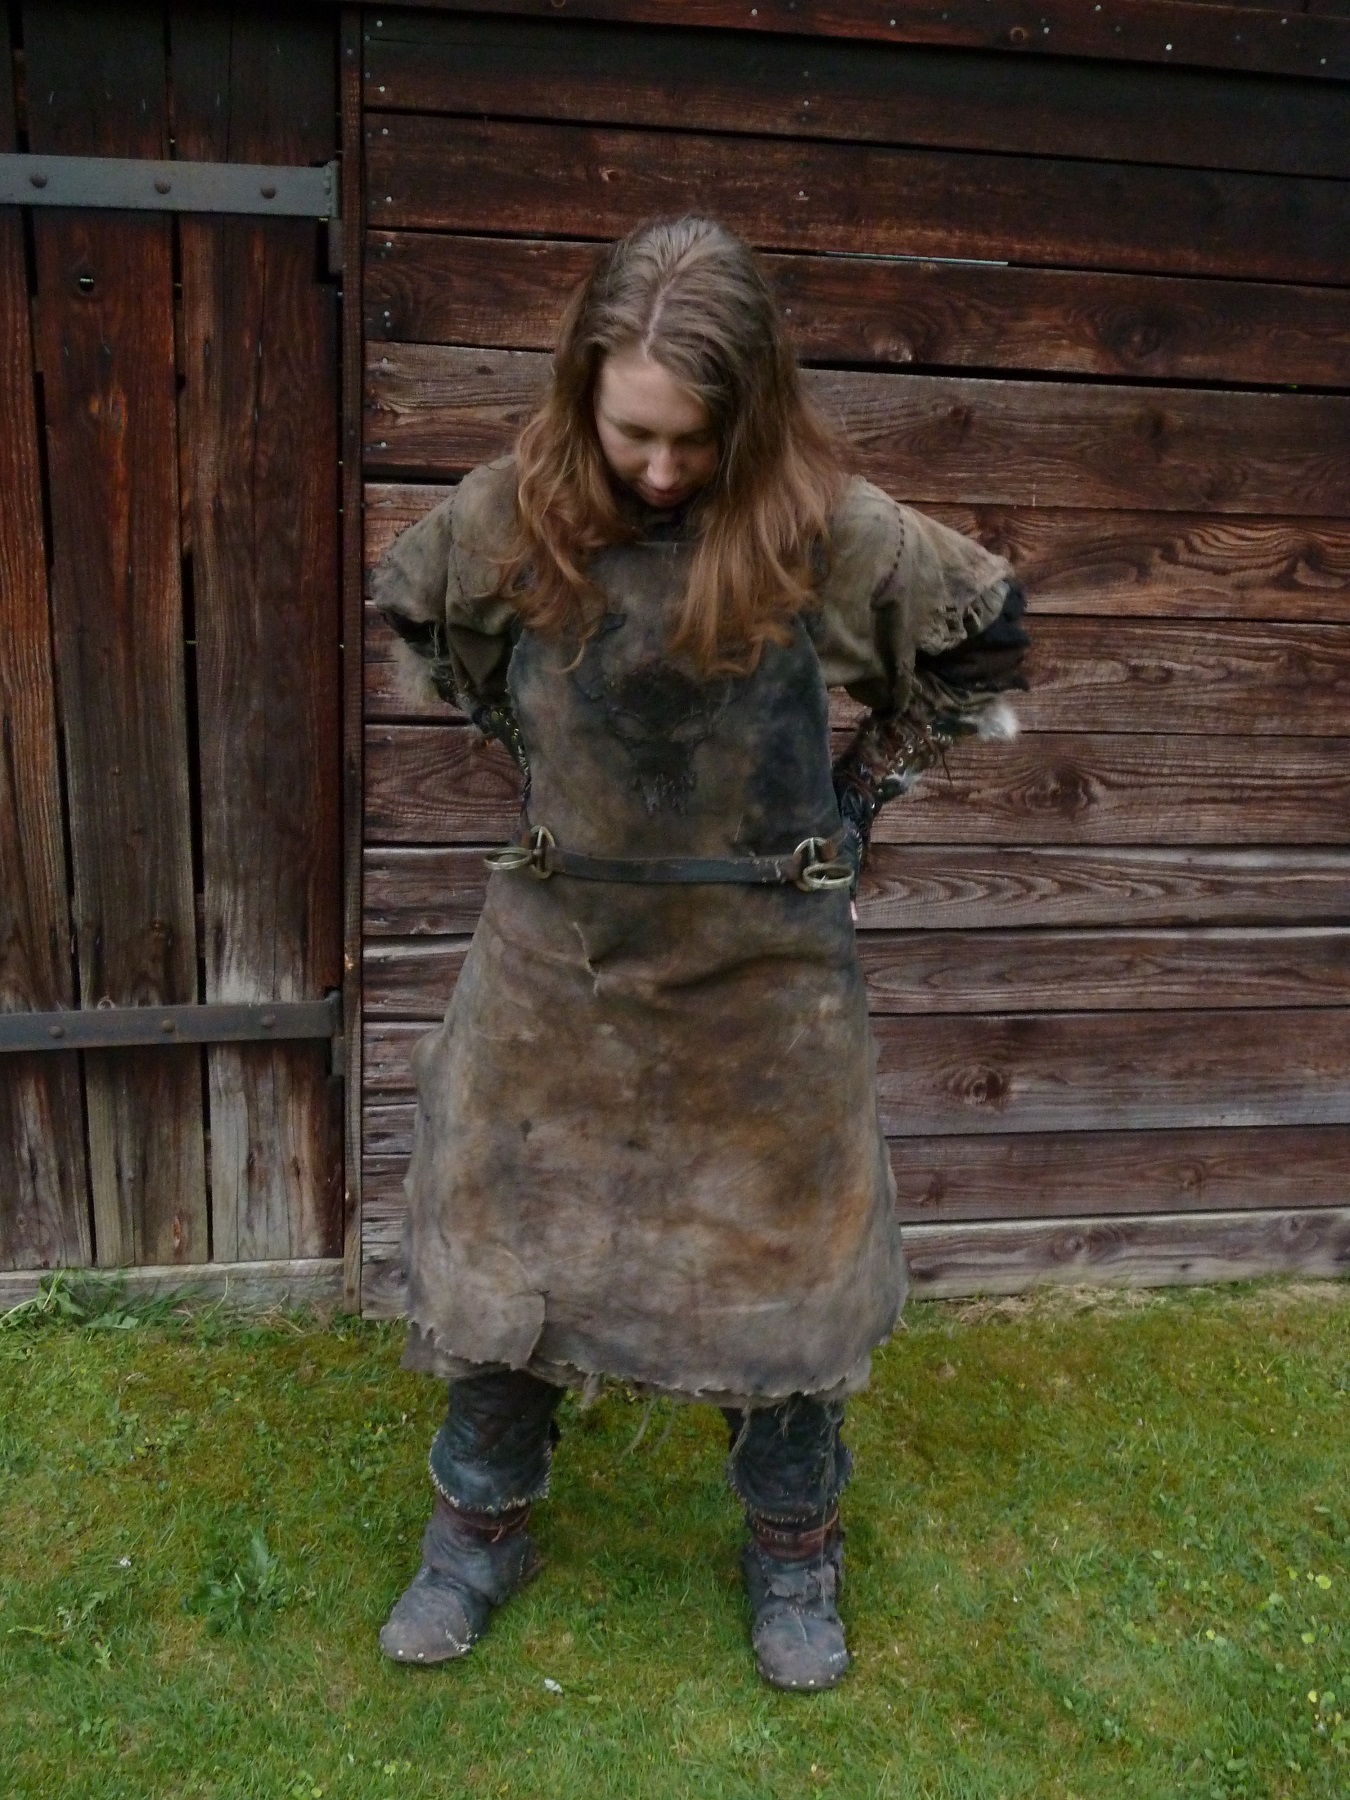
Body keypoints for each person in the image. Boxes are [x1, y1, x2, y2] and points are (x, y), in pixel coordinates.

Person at [370, 216, 1027, 1691]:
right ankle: (477, 1533)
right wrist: (538, 767)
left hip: (764, 992)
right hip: (558, 969)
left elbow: (982, 634)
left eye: (693, 439)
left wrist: (852, 808)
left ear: (753, 410)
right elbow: (423, 620)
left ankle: (793, 1552)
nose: (663, 471)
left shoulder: (820, 528)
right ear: (581, 394)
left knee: (784, 1280)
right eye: (634, 434)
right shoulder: (510, 516)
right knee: (508, 1259)